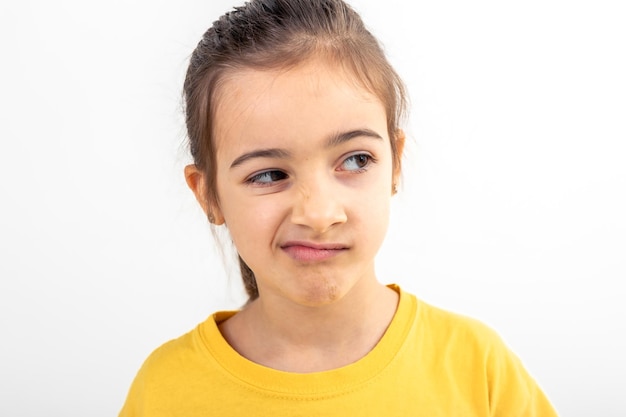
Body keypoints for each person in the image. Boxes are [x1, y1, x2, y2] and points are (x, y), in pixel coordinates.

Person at [119, 0, 558, 415]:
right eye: (270, 174)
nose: (320, 213)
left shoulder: (478, 368)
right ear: (208, 195)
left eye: (355, 160)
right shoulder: (164, 390)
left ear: (394, 164)